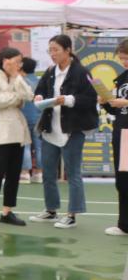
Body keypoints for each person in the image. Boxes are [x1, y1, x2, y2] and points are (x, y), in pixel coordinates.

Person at [29, 34, 99, 229]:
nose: (52, 54)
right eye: (50, 50)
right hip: (50, 128)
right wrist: (39, 97)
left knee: (72, 172)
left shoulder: (81, 72)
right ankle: (51, 209)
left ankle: (72, 214)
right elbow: (40, 91)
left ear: (68, 50)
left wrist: (68, 100)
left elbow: (91, 99)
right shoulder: (50, 71)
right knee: (48, 171)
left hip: (72, 129)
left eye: (56, 50)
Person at [0, 47, 34, 228]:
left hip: (18, 131)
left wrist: (16, 77)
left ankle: (7, 211)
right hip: (1, 131)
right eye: (17, 61)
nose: (19, 65)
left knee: (13, 174)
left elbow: (29, 95)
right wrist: (16, 98)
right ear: (5, 61)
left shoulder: (15, 77)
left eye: (20, 62)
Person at [102, 39, 128, 236]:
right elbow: (116, 109)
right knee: (123, 179)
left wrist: (124, 102)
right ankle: (124, 224)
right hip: (123, 132)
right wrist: (106, 101)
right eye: (121, 58)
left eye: (127, 58)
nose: (124, 62)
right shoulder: (122, 78)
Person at [19, 57, 43, 183]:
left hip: (23, 117)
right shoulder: (40, 81)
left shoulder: (20, 81)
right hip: (39, 117)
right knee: (39, 146)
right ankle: (39, 173)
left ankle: (24, 173)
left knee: (25, 146)